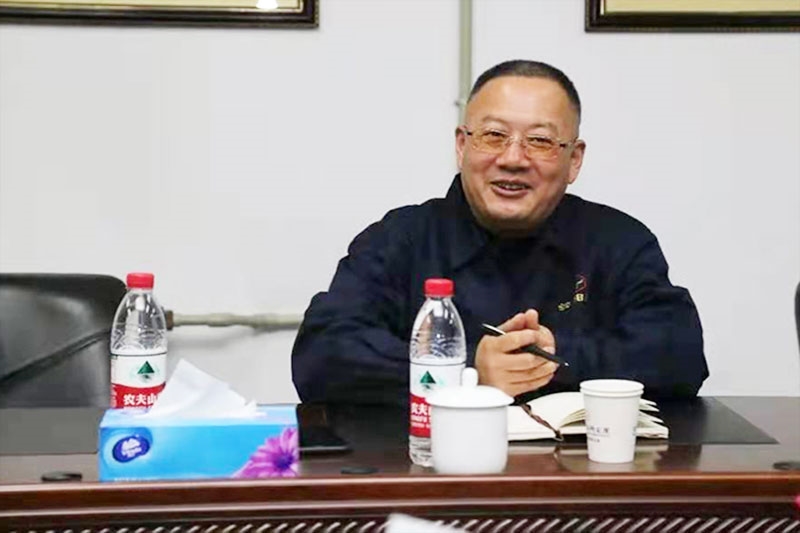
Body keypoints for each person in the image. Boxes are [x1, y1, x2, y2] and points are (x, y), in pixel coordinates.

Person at [292, 60, 708, 406]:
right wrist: (469, 370)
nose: (513, 158)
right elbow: (322, 355)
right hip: (428, 471)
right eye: (493, 136)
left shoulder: (618, 242)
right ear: (462, 146)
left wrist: (549, 357)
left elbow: (680, 355)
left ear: (574, 160)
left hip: (578, 474)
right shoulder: (400, 239)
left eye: (540, 141)